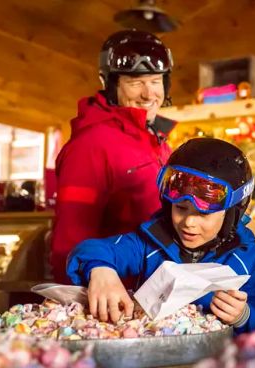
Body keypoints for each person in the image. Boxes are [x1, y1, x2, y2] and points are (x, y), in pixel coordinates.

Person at [66, 138, 255, 334]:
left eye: (204, 213)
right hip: (154, 360)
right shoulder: (149, 244)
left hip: (217, 367)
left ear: (232, 213)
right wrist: (101, 269)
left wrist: (244, 316)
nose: (189, 222)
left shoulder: (251, 261)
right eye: (181, 208)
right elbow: (91, 249)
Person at [51, 29, 177, 284]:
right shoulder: (90, 145)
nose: (148, 93)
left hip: (156, 292)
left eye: (155, 81)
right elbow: (70, 239)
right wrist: (80, 304)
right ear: (110, 84)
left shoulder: (159, 143)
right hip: (115, 298)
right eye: (135, 82)